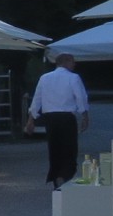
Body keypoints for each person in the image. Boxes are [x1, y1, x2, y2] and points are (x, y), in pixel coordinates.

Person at [25, 53, 89, 187]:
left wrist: (31, 119)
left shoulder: (44, 78)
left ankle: (56, 177)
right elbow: (80, 97)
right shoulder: (73, 78)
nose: (74, 64)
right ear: (66, 62)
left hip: (50, 118)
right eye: (72, 61)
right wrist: (84, 115)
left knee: (55, 149)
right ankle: (65, 174)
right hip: (66, 117)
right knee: (69, 149)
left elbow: (37, 99)